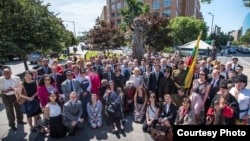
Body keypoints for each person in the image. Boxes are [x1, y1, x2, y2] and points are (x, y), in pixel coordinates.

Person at [0, 66, 26, 131]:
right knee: (9, 111)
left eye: (8, 72)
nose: (6, 74)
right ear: (3, 73)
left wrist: (13, 89)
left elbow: (20, 87)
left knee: (18, 108)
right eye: (5, 73)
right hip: (6, 96)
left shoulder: (17, 78)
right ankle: (12, 124)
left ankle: (20, 120)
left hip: (16, 95)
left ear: (11, 72)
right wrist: (2, 91)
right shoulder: (0, 79)